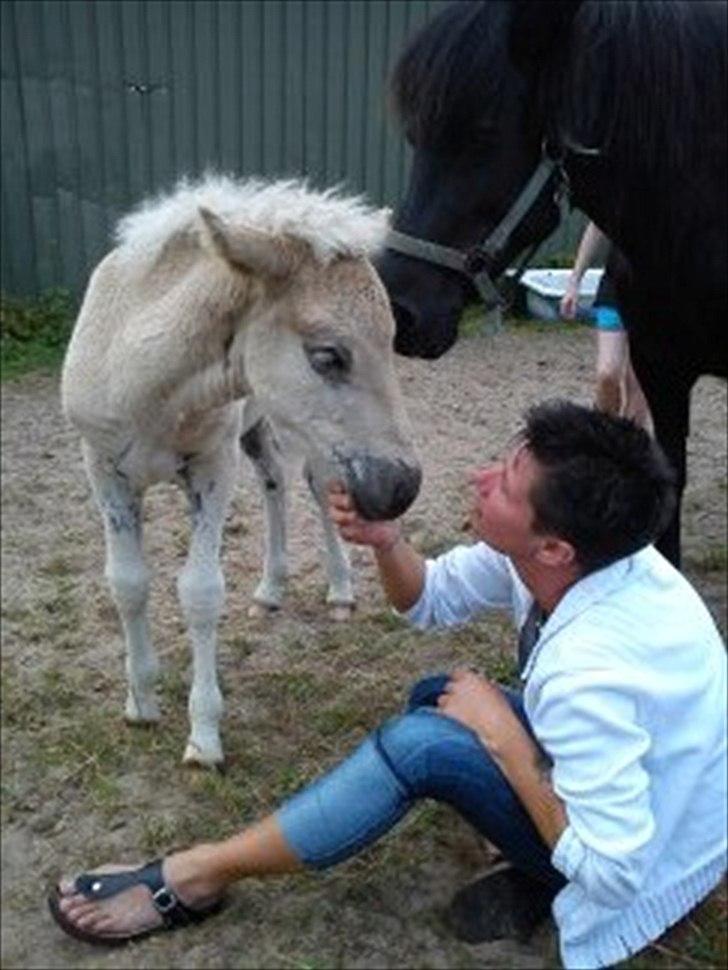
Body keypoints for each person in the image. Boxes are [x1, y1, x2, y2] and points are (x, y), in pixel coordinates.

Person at [48, 401, 726, 970]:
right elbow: (427, 598)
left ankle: (194, 876)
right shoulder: (577, 559)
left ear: (555, 548)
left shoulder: (592, 667)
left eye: (505, 487)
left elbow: (615, 873)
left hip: (645, 868)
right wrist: (385, 541)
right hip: (646, 794)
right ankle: (525, 846)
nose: (480, 477)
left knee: (424, 744)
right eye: (500, 462)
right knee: (437, 695)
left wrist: (505, 742)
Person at [561, 221, 653, 433]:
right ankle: (604, 438)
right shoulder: (619, 191)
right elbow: (596, 227)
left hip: (657, 294)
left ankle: (629, 453)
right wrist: (574, 281)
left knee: (639, 384)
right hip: (616, 287)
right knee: (607, 373)